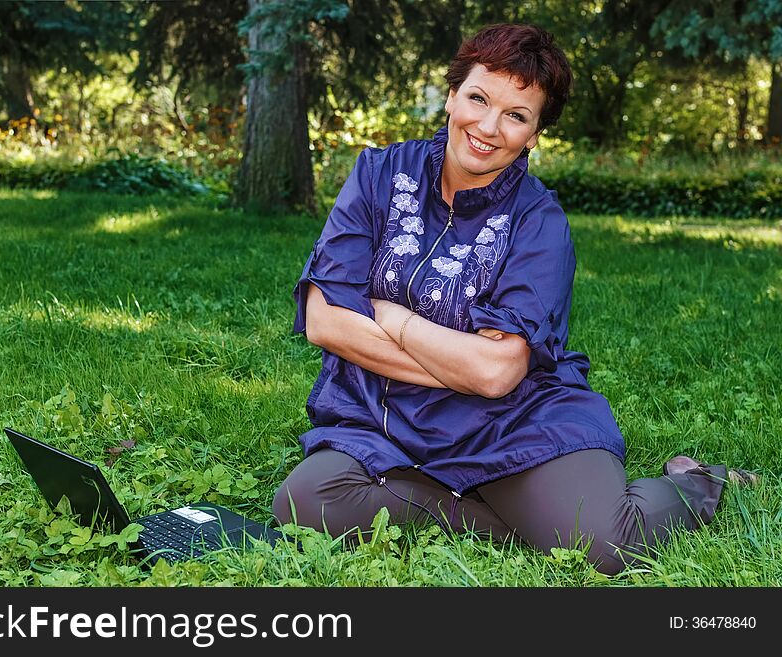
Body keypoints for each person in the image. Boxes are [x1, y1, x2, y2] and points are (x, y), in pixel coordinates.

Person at [272, 23, 756, 575]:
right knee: (303, 503)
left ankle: (695, 482)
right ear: (452, 96)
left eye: (516, 116)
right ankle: (510, 522)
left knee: (605, 545)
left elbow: (499, 377)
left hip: (509, 422)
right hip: (382, 418)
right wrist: (466, 364)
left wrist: (393, 318)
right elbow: (324, 322)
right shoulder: (378, 175)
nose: (488, 127)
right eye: (478, 98)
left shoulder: (538, 221)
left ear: (533, 135)